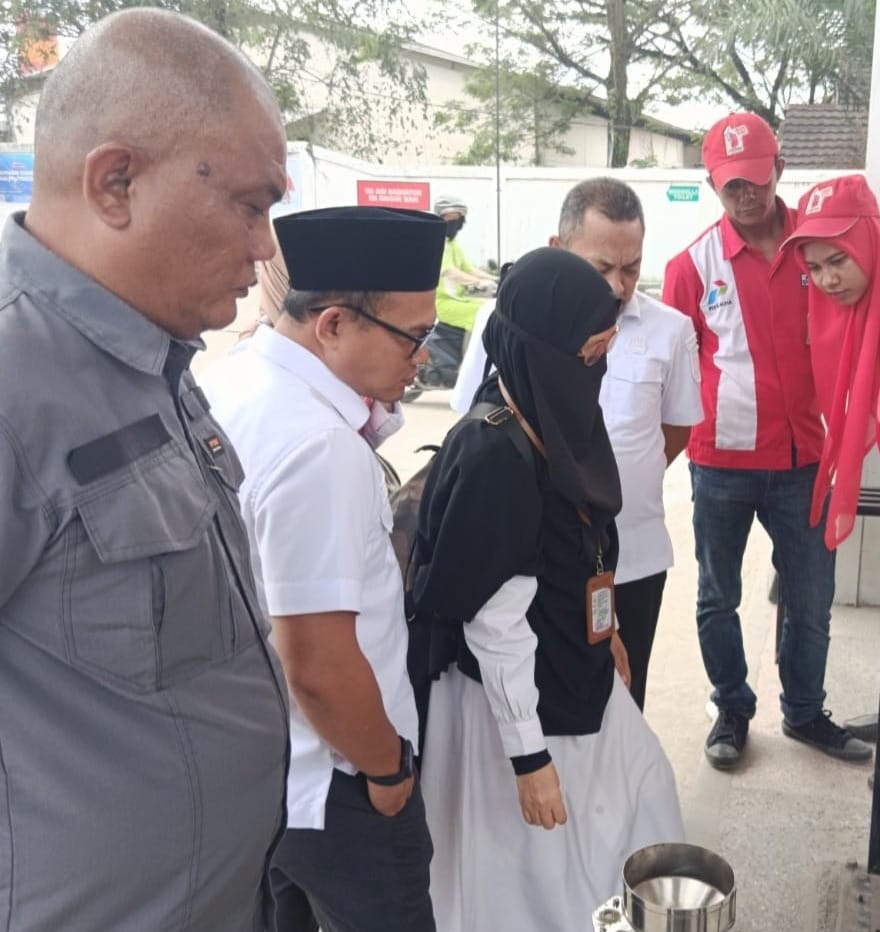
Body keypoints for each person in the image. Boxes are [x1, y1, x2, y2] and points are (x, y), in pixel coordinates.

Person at [0, 10, 290, 929]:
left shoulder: (153, 356)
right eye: (250, 204)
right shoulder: (13, 382)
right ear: (116, 182)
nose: (266, 248)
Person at [412, 247, 685, 932]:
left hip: (573, 667)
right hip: (513, 708)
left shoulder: (550, 411)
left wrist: (607, 629)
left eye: (605, 354)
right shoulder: (494, 456)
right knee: (527, 873)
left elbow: (576, 546)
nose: (595, 370)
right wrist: (528, 760)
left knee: (632, 801)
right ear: (544, 351)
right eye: (588, 356)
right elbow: (493, 627)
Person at [201, 206, 444, 932]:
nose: (425, 357)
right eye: (416, 336)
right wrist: (388, 772)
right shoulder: (319, 448)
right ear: (333, 325)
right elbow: (317, 660)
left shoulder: (239, 382)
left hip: (273, 773)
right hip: (342, 785)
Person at [662, 112, 872, 769]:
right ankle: (731, 707)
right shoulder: (690, 267)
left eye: (754, 180)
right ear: (712, 185)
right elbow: (670, 366)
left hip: (807, 459)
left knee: (811, 599)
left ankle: (805, 712)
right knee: (717, 596)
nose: (746, 196)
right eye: (732, 187)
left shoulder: (819, 251)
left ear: (778, 169)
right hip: (719, 465)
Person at [451, 178, 704, 710]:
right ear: (557, 250)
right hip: (532, 561)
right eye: (601, 268)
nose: (617, 286)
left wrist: (606, 485)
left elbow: (675, 432)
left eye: (631, 268)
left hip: (631, 560)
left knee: (619, 703)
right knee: (529, 705)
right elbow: (475, 423)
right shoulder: (501, 321)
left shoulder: (671, 331)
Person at [784, 173, 880, 549]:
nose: (827, 281)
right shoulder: (845, 307)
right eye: (813, 268)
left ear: (869, 243)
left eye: (838, 260)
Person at [433, 194, 496, 347]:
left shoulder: (452, 243)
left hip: (458, 299)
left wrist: (498, 280)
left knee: (493, 307)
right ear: (443, 217)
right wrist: (480, 282)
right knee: (480, 315)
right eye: (455, 218)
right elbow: (449, 272)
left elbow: (469, 269)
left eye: (461, 219)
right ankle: (468, 365)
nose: (459, 223)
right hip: (441, 304)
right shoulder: (436, 242)